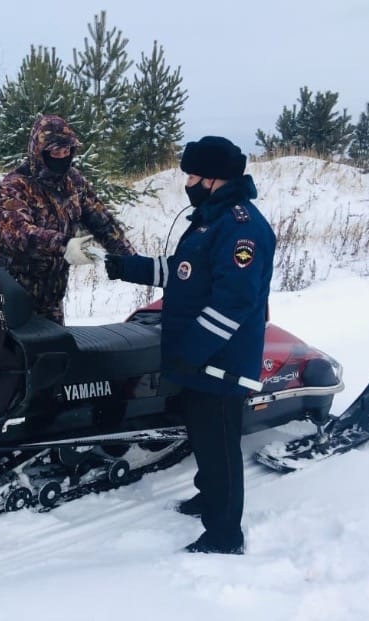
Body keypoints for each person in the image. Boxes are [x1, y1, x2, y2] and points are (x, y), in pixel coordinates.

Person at [104, 136, 276, 554]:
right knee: (201, 435)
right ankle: (208, 496)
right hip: (198, 357)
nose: (188, 183)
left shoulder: (241, 230)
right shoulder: (208, 220)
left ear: (217, 178)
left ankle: (224, 534)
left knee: (219, 445)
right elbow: (181, 272)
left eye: (195, 176)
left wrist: (192, 351)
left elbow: (234, 303)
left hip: (220, 362)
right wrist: (126, 266)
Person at [0, 114, 135, 324]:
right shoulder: (15, 185)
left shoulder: (73, 181)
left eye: (67, 151)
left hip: (51, 298)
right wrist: (65, 244)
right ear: (39, 152)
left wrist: (132, 260)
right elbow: (18, 234)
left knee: (58, 344)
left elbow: (102, 222)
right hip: (9, 296)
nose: (62, 158)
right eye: (55, 152)